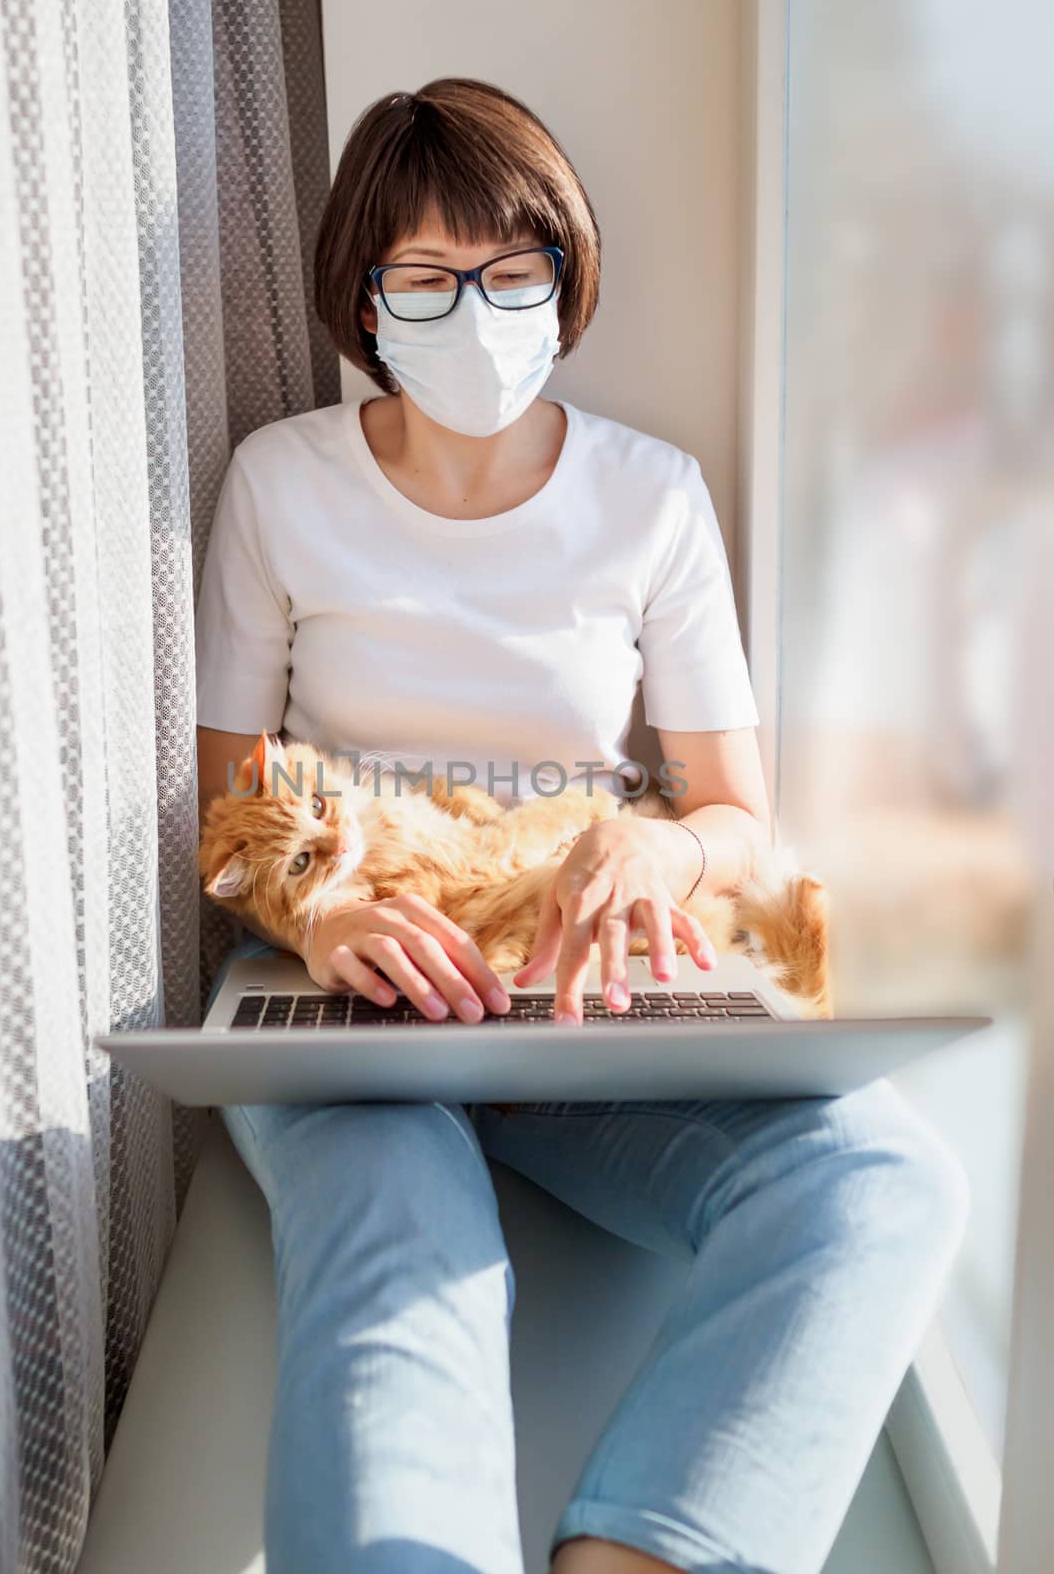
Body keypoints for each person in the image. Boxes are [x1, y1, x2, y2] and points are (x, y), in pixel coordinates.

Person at [195, 79, 969, 1574]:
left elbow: (740, 813)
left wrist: (661, 845)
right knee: (403, 1247)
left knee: (882, 1179)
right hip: (355, 990)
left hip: (582, 992)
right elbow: (234, 806)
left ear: (567, 277)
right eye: (424, 277)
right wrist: (328, 916)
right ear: (363, 295)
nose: (473, 311)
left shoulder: (650, 498)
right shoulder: (282, 482)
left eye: (512, 272)